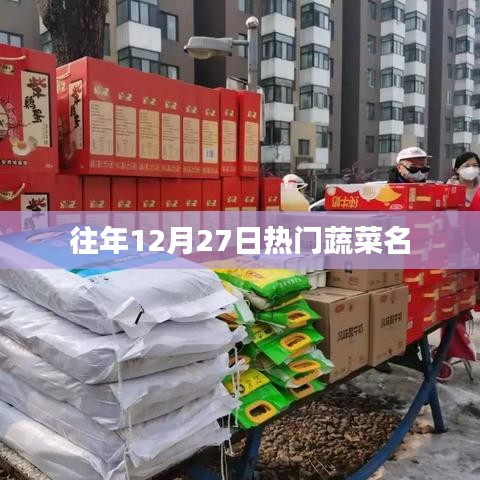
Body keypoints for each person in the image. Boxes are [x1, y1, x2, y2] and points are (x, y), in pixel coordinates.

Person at [377, 147, 433, 374]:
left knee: (415, 311)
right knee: (388, 310)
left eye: (423, 167)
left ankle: (409, 352)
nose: (419, 171)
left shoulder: (429, 193)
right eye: (413, 166)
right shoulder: (386, 192)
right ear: (399, 167)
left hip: (420, 260)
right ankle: (381, 353)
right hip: (391, 262)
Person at [436, 152, 480, 381]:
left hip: (476, 256)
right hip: (453, 256)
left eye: (475, 165)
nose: (471, 169)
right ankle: (450, 349)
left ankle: (453, 349)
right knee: (452, 306)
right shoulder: (447, 192)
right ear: (457, 169)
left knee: (468, 302)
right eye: (467, 165)